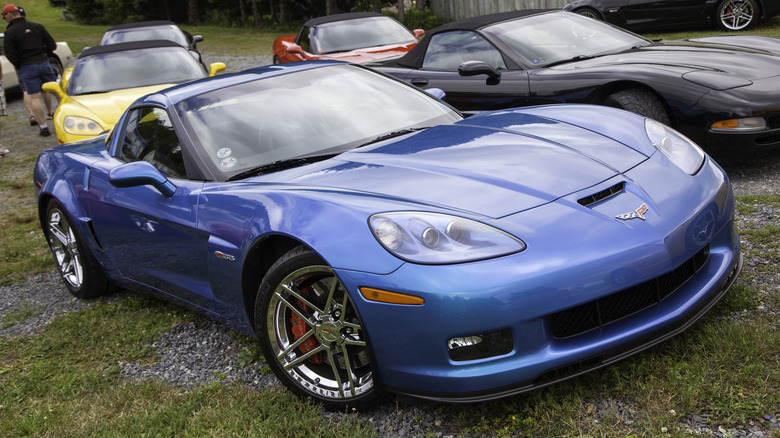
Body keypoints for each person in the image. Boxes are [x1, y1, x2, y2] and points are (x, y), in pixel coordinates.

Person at [2, 4, 56, 137]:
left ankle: (43, 127)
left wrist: (19, 64)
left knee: (35, 96)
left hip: (27, 66)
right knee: (56, 91)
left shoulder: (10, 32)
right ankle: (68, 118)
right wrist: (45, 56)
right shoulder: (37, 26)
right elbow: (52, 44)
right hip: (43, 62)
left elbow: (9, 53)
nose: (5, 19)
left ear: (9, 15)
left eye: (4, 16)